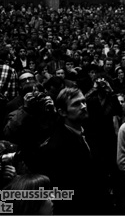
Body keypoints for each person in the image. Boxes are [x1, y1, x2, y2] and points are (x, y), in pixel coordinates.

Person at [32, 87, 110, 215]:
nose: (84, 106)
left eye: (83, 101)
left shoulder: (90, 132)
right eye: (76, 104)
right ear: (62, 112)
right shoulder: (55, 147)